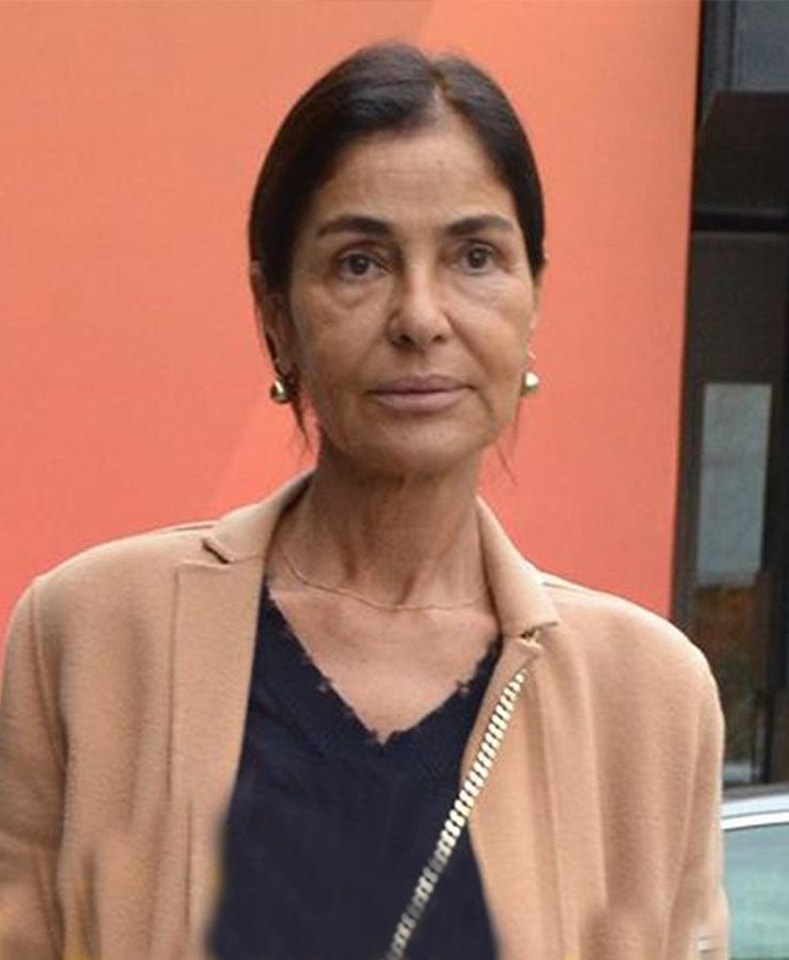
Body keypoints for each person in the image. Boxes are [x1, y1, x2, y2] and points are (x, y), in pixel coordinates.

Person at [0, 42, 728, 960]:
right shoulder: (92, 636)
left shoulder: (649, 698)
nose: (420, 316)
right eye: (358, 263)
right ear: (276, 315)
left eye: (474, 256)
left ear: (532, 300)